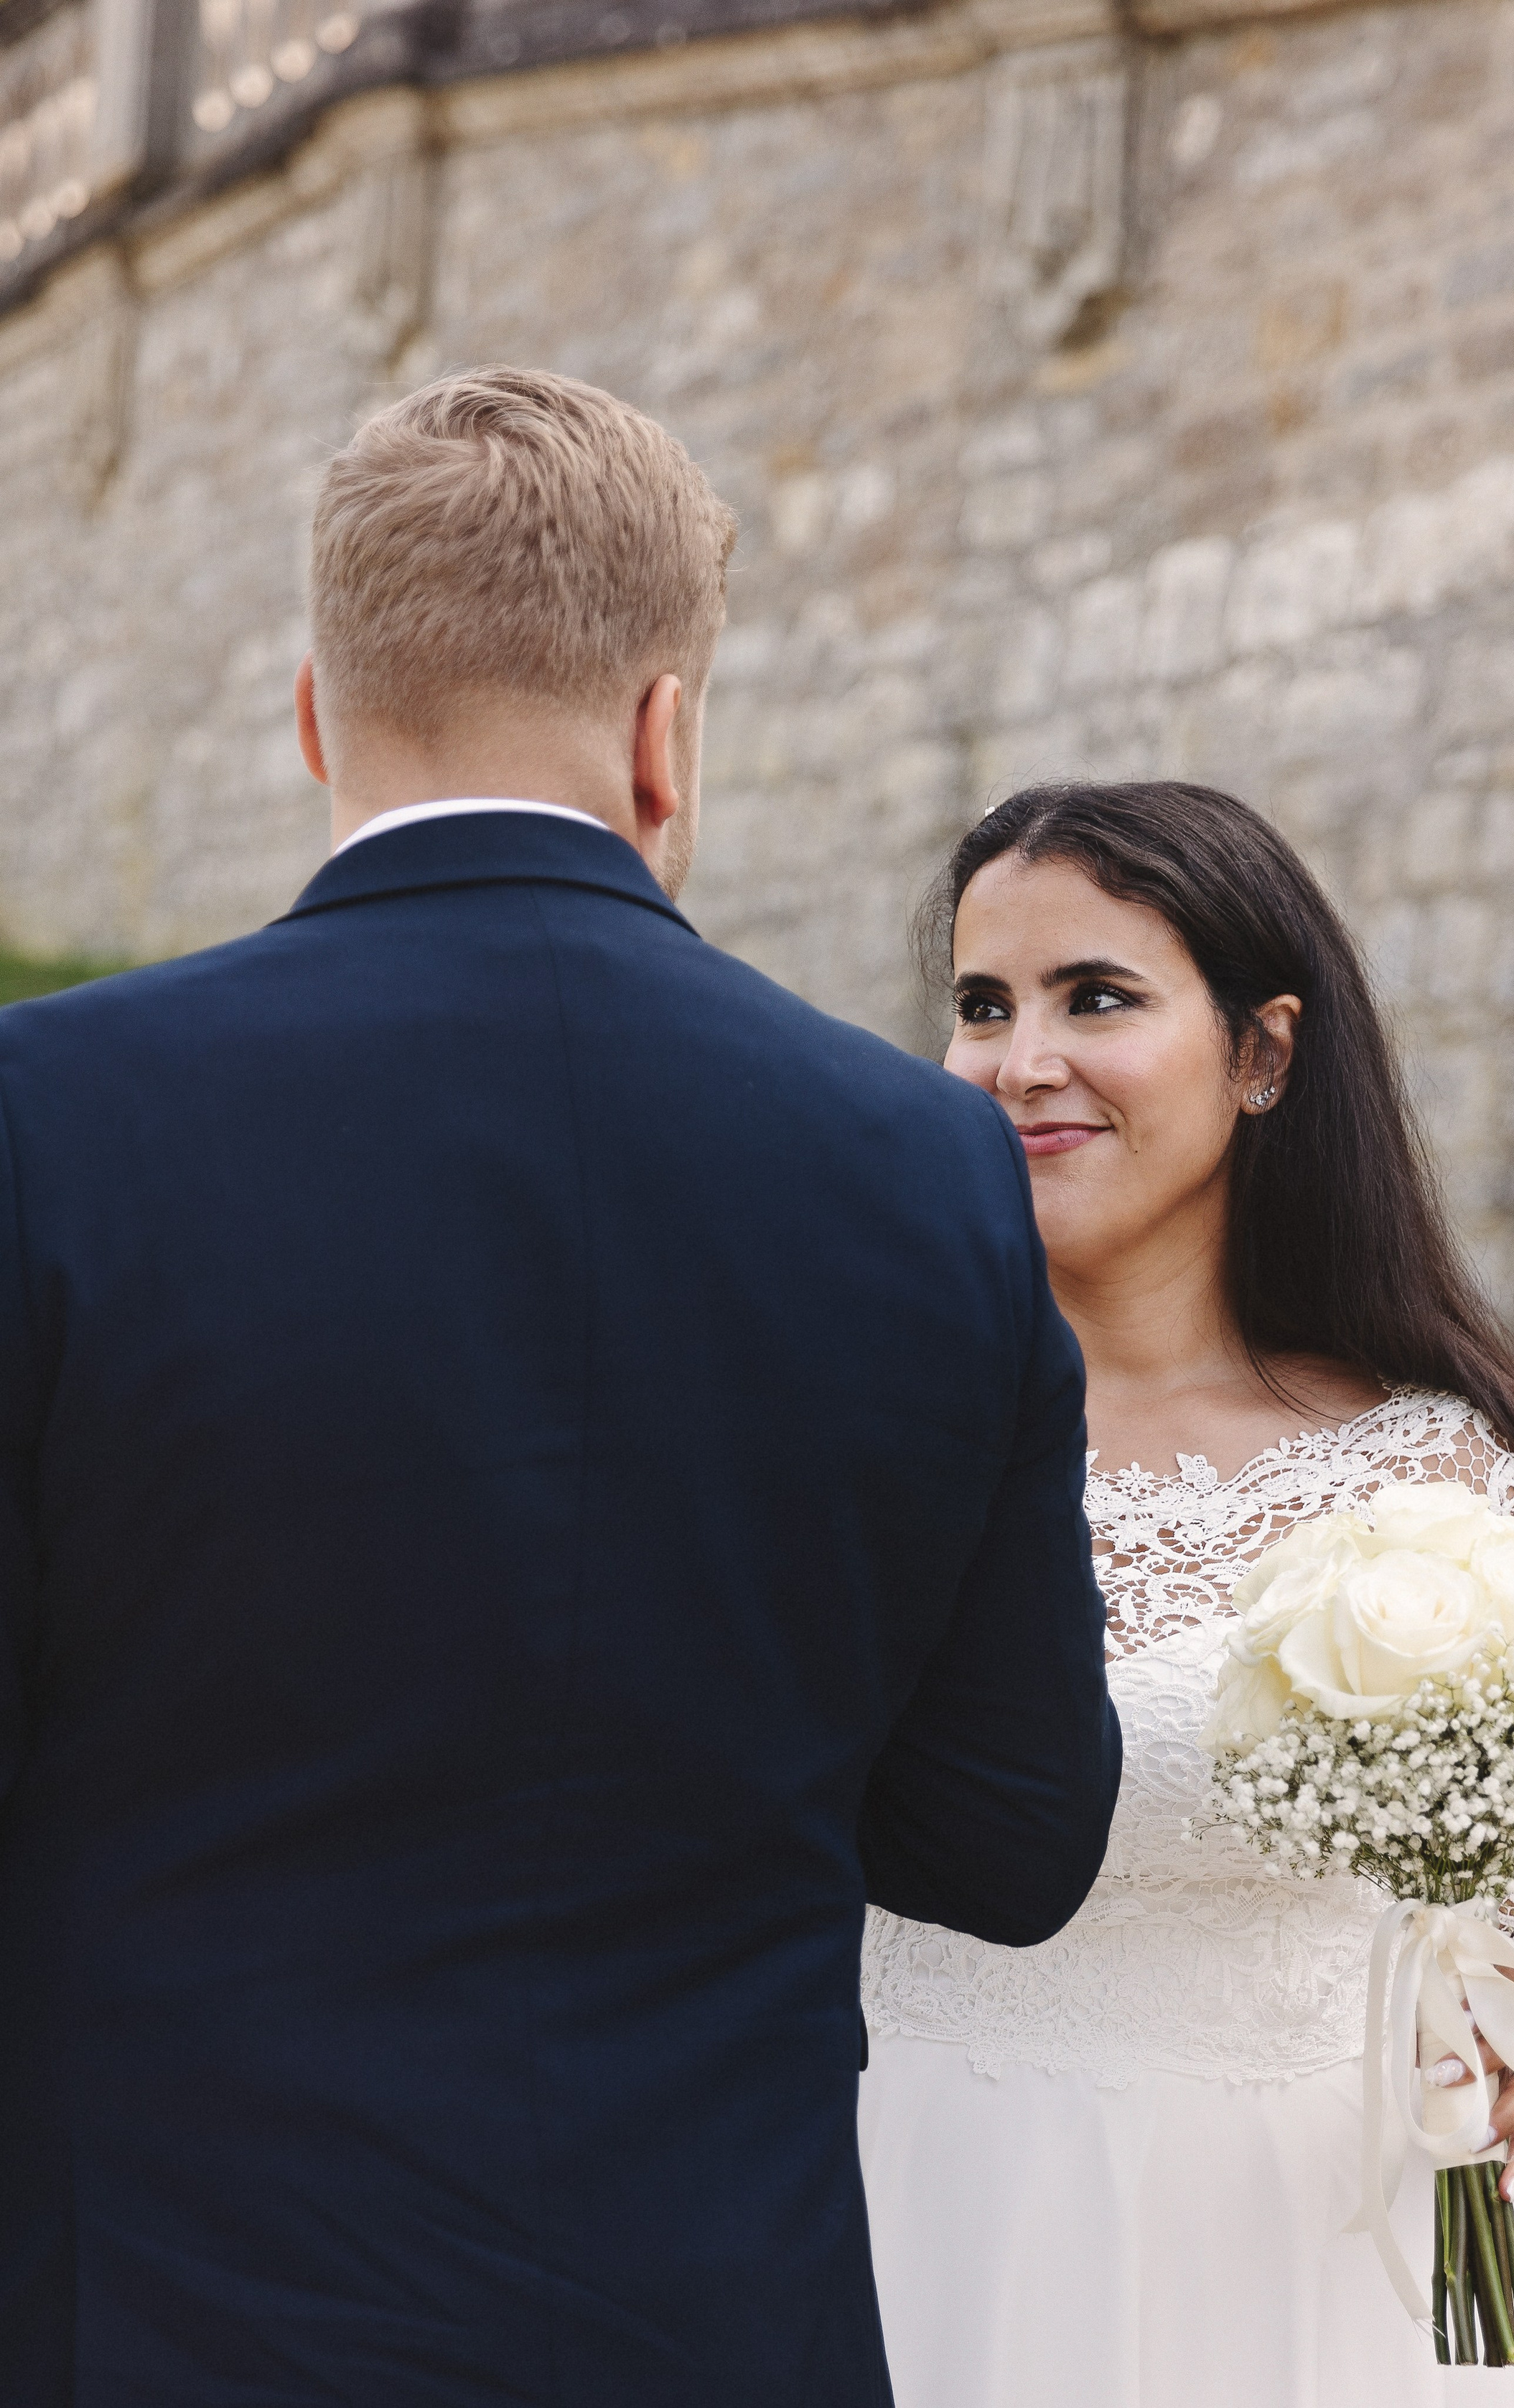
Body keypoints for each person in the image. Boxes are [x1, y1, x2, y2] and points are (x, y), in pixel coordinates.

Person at [0, 369, 1121, 2405]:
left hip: (167, 2305)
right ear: (664, 735)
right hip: (712, 2318)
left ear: (318, 715)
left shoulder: (47, 1114)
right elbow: (1012, 1834)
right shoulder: (923, 1166)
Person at [859, 779, 1514, 2407]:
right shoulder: (847, 1432)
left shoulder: (1442, 1478)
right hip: (915, 2203)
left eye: (1096, 997)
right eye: (982, 1005)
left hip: (1311, 2253)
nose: (1022, 1061)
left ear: (1262, 1053)